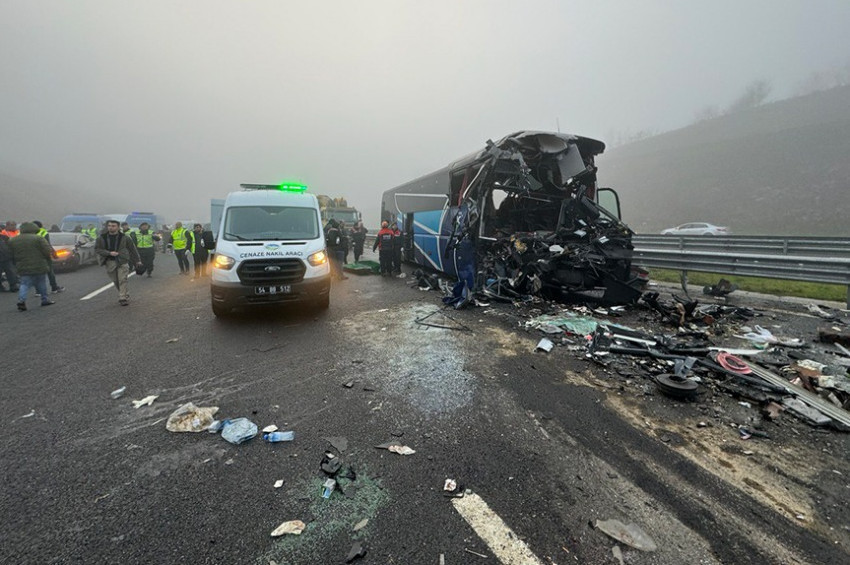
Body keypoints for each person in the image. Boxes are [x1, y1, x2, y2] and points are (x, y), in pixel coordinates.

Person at [7, 222, 55, 310]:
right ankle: (44, 299)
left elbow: (10, 254)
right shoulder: (38, 238)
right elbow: (47, 251)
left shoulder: (13, 240)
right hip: (39, 265)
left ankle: (21, 301)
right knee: (41, 282)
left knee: (24, 284)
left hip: (22, 265)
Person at [95, 220, 142, 306]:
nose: (111, 227)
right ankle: (125, 293)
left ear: (118, 227)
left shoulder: (125, 237)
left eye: (113, 226)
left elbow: (132, 249)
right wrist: (109, 253)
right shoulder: (102, 238)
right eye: (109, 226)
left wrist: (137, 260)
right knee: (115, 280)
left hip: (122, 260)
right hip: (109, 261)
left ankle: (122, 297)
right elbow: (97, 249)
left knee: (122, 279)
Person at [32, 221, 64, 293]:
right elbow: (47, 244)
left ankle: (38, 291)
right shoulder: (44, 232)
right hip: (44, 255)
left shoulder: (27, 233)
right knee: (50, 272)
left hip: (33, 256)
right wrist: (53, 253)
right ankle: (54, 287)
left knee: (36, 273)